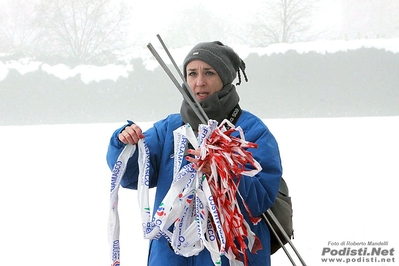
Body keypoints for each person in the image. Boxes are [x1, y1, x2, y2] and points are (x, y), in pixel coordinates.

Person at [106, 41, 283, 266]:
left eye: (209, 72)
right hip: (169, 257)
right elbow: (131, 176)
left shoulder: (252, 132)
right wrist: (123, 143)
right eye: (192, 73)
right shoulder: (168, 130)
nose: (199, 82)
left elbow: (261, 198)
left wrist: (221, 173)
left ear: (225, 78)